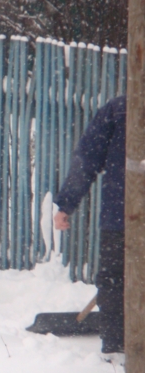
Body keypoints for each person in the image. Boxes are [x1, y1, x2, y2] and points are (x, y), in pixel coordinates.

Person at [54, 95, 126, 354]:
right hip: (122, 215)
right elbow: (88, 158)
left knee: (114, 280)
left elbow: (87, 159)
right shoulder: (118, 111)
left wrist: (66, 205)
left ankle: (116, 346)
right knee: (115, 280)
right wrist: (66, 203)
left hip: (122, 217)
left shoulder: (119, 109)